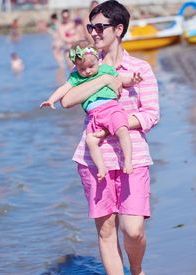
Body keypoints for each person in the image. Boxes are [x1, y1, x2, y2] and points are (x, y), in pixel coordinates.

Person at [61, 0, 159, 275]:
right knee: (105, 231)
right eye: (91, 27)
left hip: (134, 156)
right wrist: (103, 80)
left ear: (118, 30)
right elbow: (68, 99)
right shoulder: (87, 66)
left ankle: (138, 269)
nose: (93, 33)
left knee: (133, 230)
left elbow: (151, 114)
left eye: (99, 26)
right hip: (94, 160)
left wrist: (116, 122)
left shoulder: (141, 69)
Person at [40, 40, 142, 180]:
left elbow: (122, 80)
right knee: (90, 140)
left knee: (122, 130)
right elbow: (64, 89)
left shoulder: (105, 69)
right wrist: (51, 100)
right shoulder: (76, 77)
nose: (87, 71)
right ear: (76, 66)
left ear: (97, 61)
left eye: (91, 66)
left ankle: (128, 161)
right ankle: (101, 168)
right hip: (94, 116)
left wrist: (133, 80)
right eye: (82, 69)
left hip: (112, 109)